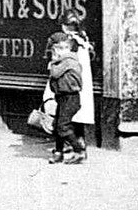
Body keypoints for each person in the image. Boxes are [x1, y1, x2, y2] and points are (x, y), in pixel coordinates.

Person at [44, 9, 95, 157]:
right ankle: (71, 145)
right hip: (78, 83)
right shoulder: (82, 41)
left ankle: (72, 148)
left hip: (65, 83)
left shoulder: (69, 42)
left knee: (62, 117)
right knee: (73, 115)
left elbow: (58, 65)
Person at [47, 32, 85, 165]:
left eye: (55, 49)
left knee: (62, 126)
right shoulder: (65, 60)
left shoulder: (68, 60)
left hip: (70, 98)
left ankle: (79, 151)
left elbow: (54, 73)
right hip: (63, 97)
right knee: (58, 125)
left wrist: (53, 60)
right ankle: (59, 152)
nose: (55, 52)